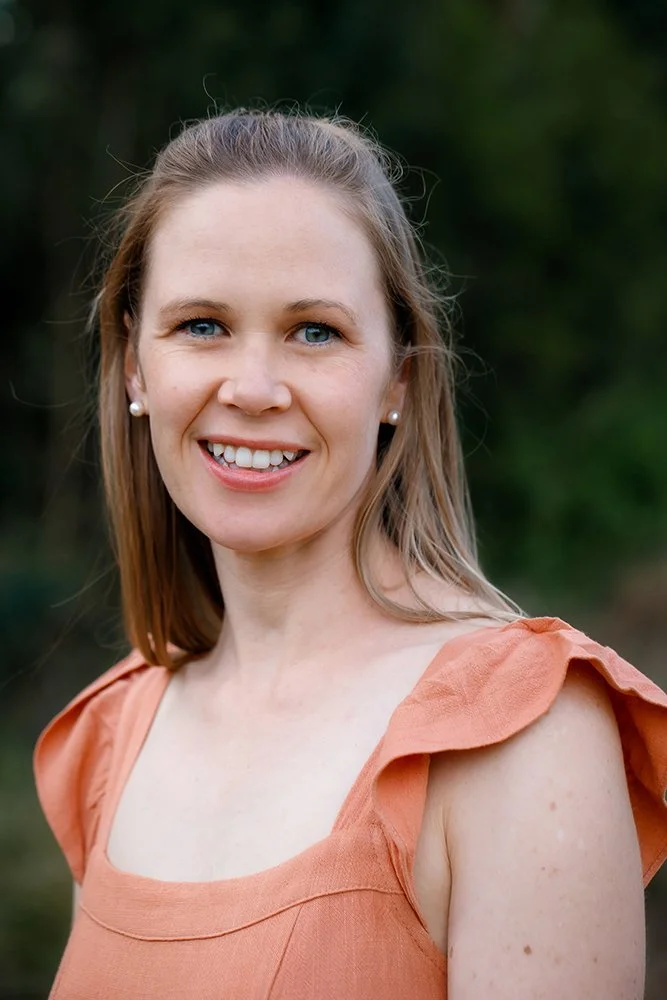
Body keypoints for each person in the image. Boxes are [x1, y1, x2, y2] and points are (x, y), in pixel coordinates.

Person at [34, 109, 667, 1000]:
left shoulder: (519, 731)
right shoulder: (112, 736)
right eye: (203, 325)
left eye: (314, 332)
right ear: (136, 365)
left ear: (397, 380)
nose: (251, 389)